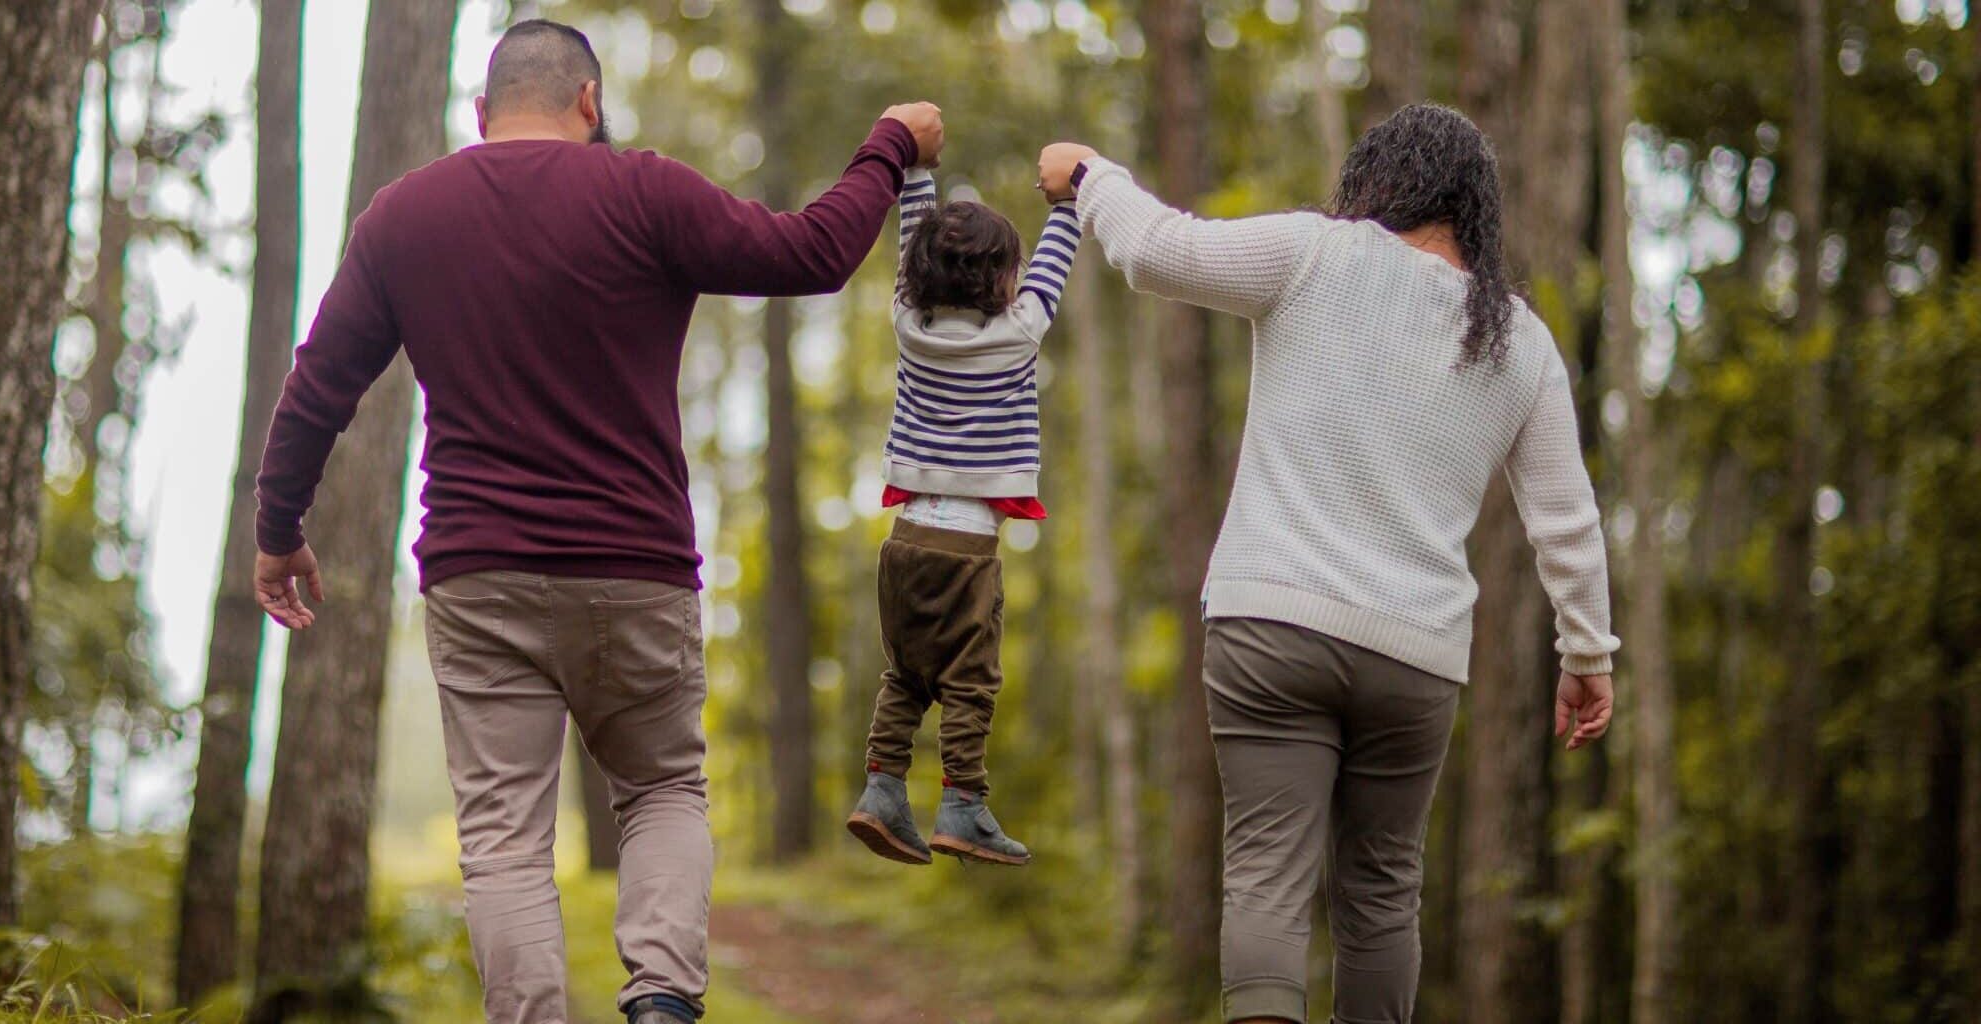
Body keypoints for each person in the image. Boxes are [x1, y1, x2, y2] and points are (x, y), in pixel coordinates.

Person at [249, 19, 943, 1024]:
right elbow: (813, 253)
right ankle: (660, 999)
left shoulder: (403, 216)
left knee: (503, 838)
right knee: (661, 786)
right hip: (636, 569)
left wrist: (279, 528)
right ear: (590, 103)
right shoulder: (644, 190)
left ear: (478, 115)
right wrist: (886, 142)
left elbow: (318, 386)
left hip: (478, 574)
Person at [1034, 103, 1619, 1024]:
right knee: (1383, 895)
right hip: (1415, 656)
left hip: (1270, 625)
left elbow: (1158, 252)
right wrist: (1587, 656)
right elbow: (1568, 521)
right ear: (1475, 212)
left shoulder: (1315, 254)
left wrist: (1090, 173)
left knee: (1268, 872)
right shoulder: (1519, 341)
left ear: (1378, 180)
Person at [844, 161, 1082, 868]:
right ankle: (963, 805)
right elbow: (1056, 259)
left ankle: (882, 788)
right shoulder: (1019, 332)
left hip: (906, 541)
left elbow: (908, 239)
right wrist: (1068, 199)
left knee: (906, 676)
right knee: (969, 682)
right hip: (968, 549)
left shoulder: (907, 326)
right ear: (1002, 281)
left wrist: (917, 170)